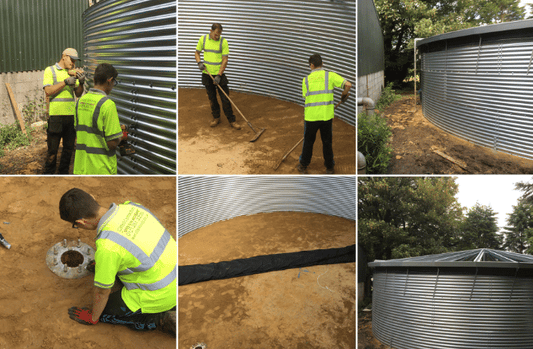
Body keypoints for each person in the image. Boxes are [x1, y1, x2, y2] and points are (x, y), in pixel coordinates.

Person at [59, 188, 176, 335]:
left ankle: (159, 320)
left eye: (76, 225)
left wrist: (93, 317)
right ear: (92, 196)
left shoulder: (108, 245)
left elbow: (102, 293)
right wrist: (104, 265)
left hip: (160, 294)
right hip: (175, 274)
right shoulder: (132, 206)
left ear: (81, 222)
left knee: (104, 313)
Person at [298, 53, 352, 175]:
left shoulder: (305, 80)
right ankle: (329, 167)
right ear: (322, 64)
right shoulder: (330, 76)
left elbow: (305, 97)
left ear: (311, 65)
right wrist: (343, 95)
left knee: (308, 142)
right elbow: (348, 84)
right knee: (327, 142)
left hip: (311, 117)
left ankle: (303, 165)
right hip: (326, 117)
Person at [73, 63, 125, 175]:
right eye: (114, 82)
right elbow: (112, 143)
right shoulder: (107, 105)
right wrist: (121, 136)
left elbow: (84, 132)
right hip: (101, 169)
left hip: (81, 168)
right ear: (109, 80)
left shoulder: (80, 102)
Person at [43, 48, 85, 174]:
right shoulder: (50, 70)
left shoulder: (73, 73)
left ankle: (63, 174)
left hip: (70, 118)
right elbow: (48, 91)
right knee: (52, 152)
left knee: (68, 150)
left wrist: (81, 83)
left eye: (75, 61)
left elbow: (77, 94)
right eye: (71, 60)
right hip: (56, 117)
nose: (73, 63)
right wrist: (65, 82)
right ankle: (49, 175)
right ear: (64, 57)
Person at [195, 23, 241, 130]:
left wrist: (219, 75)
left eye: (219, 34)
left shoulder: (223, 41)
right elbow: (197, 53)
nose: (217, 36)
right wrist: (199, 63)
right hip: (207, 74)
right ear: (210, 31)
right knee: (212, 98)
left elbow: (225, 60)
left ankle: (232, 120)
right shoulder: (204, 39)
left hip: (219, 75)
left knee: (225, 98)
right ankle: (216, 118)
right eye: (216, 34)